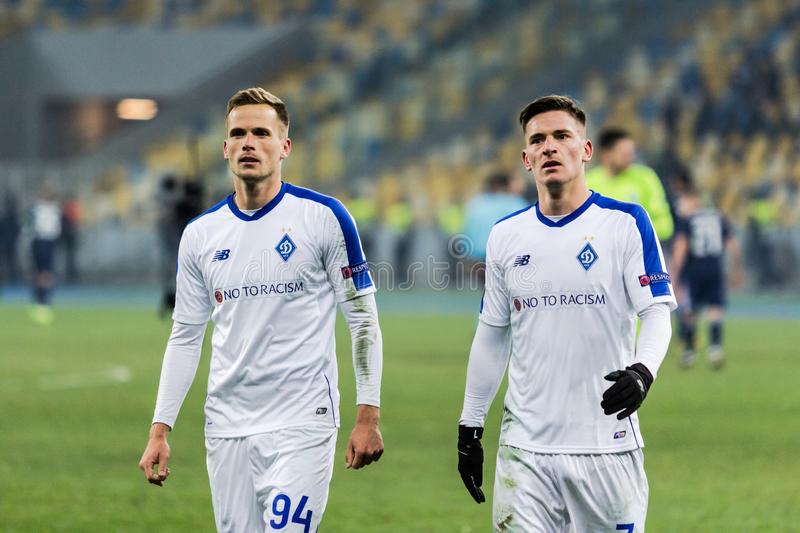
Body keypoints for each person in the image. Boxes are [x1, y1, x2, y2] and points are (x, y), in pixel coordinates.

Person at [139, 88, 385, 532]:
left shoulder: (324, 218)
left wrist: (368, 415)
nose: (249, 142)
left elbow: (363, 319)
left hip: (302, 422)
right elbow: (185, 336)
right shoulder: (200, 235)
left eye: (261, 132)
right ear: (225, 148)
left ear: (284, 146)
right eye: (238, 133)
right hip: (226, 426)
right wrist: (161, 429)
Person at [457, 95, 675, 531]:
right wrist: (470, 424)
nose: (549, 147)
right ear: (526, 158)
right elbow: (492, 334)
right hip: (524, 454)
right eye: (538, 140)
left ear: (586, 150)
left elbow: (655, 312)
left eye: (562, 136)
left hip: (606, 447)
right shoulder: (506, 237)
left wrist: (642, 372)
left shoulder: (626, 223)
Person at [670, 181, 742, 369]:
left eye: (684, 200)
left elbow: (681, 247)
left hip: (693, 270)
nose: (682, 205)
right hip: (715, 269)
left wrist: (674, 273)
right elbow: (734, 246)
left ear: (694, 201)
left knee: (690, 311)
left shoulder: (688, 220)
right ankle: (715, 350)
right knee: (715, 309)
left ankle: (689, 352)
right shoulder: (719, 217)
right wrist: (736, 269)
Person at [586, 127, 674, 241]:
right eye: (624, 153)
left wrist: (633, 234)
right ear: (606, 154)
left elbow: (665, 225)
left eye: (631, 153)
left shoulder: (645, 177)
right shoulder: (588, 182)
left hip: (641, 249)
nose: (630, 157)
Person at [461, 170, 528, 278]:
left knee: (488, 292)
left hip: (480, 259)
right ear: (506, 185)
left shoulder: (475, 203)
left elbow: (467, 232)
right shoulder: (515, 202)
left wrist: (469, 258)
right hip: (508, 257)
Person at [29, 184, 62, 325]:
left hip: (47, 241)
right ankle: (40, 297)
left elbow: (55, 228)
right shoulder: (38, 208)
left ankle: (44, 297)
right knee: (41, 271)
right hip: (40, 240)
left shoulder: (52, 209)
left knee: (46, 272)